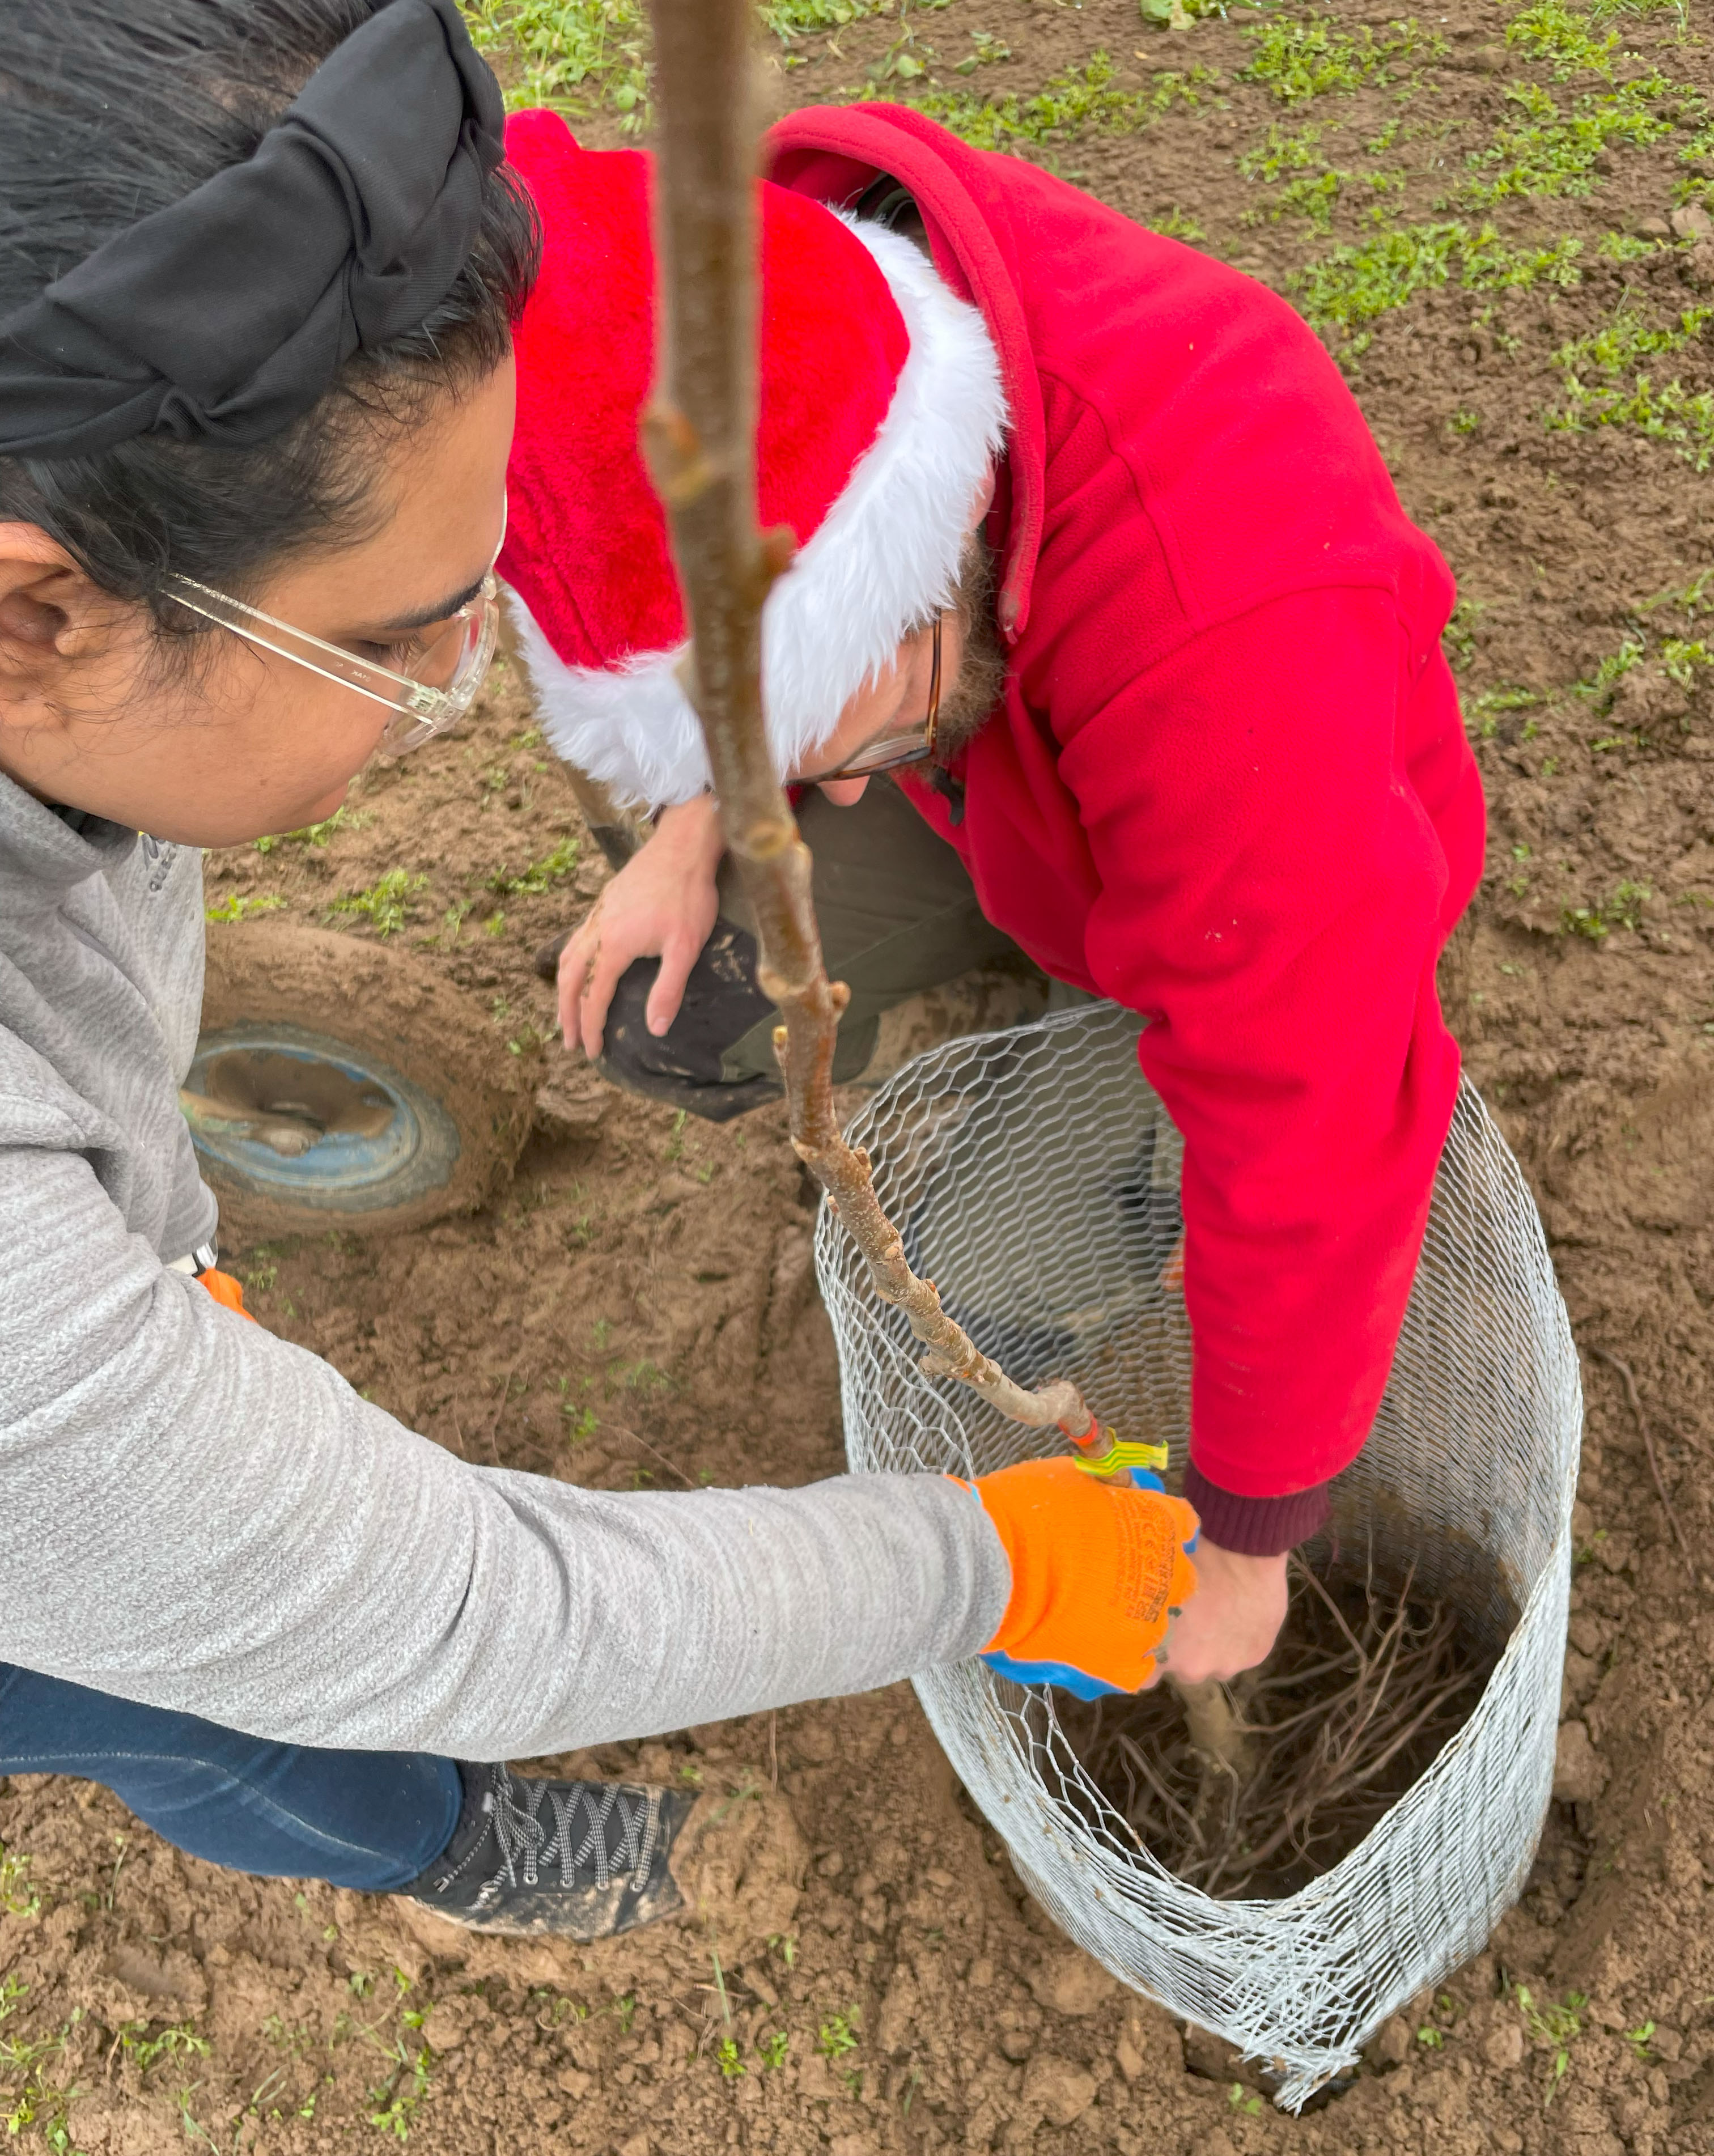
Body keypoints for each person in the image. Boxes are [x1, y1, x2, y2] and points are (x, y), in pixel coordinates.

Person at [0, 0, 1199, 1941]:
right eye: (394, 644)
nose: (452, 685)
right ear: (36, 614)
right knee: (194, 1701)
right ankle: (440, 1847)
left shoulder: (81, 676)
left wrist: (153, 1237)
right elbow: (455, 1610)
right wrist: (989, 1567)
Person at [499, 106, 1487, 1686]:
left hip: (1232, 895)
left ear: (940, 519)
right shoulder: (781, 314)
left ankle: (1102, 1048)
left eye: (848, 733)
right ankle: (1003, 935)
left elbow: (1309, 1106)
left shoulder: (1228, 619)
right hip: (1008, 800)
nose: (824, 795)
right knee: (673, 1016)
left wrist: (1246, 1545)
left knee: (976, 1297)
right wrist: (692, 819)